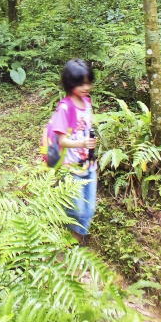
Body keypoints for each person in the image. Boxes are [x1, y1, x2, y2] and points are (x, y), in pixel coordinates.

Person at [47, 59, 97, 243]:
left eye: (88, 82)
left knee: (89, 209)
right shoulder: (65, 107)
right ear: (70, 83)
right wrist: (83, 143)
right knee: (76, 209)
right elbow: (62, 140)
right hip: (71, 166)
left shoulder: (87, 102)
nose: (86, 87)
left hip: (89, 165)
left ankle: (75, 244)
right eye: (81, 83)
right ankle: (66, 239)